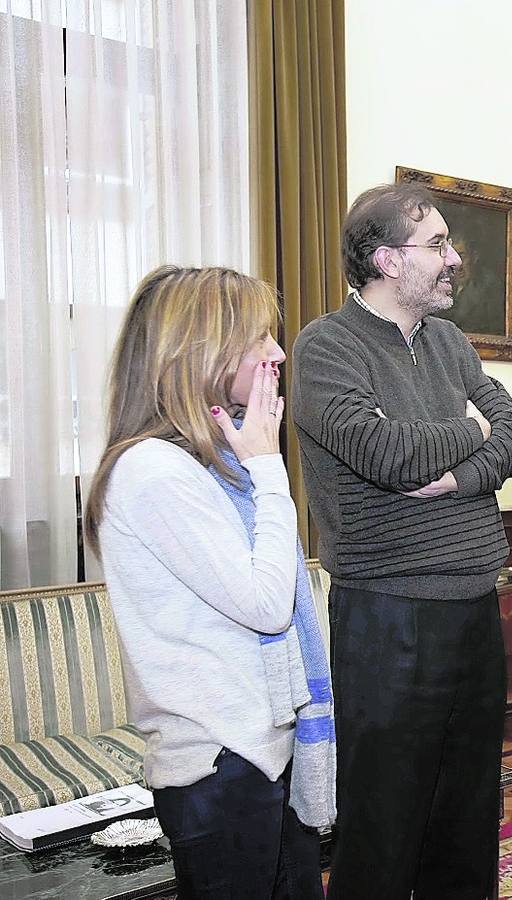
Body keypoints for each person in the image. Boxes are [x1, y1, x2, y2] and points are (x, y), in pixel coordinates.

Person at [292, 183, 512, 899]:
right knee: (384, 824)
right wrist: (471, 431)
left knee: (466, 817)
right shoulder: (325, 346)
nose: (455, 259)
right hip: (386, 617)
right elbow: (384, 453)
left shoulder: (451, 342)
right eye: (438, 245)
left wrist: (457, 478)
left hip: (472, 609)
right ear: (388, 259)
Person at [84, 266, 335, 899]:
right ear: (201, 349)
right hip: (221, 766)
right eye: (259, 338)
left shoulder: (210, 466)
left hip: (259, 753)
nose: (279, 354)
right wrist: (270, 470)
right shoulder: (154, 471)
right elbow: (268, 604)